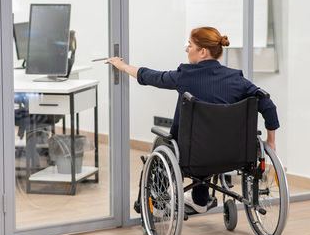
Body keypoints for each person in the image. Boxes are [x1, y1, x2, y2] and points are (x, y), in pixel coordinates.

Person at [107, 26, 280, 214]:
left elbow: (151, 76)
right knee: (208, 141)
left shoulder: (185, 76)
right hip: (234, 156)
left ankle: (157, 206)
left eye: (190, 45)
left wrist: (123, 66)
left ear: (203, 52)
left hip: (192, 156)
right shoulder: (237, 79)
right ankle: (200, 200)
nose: (186, 49)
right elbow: (268, 105)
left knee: (163, 143)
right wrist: (271, 140)